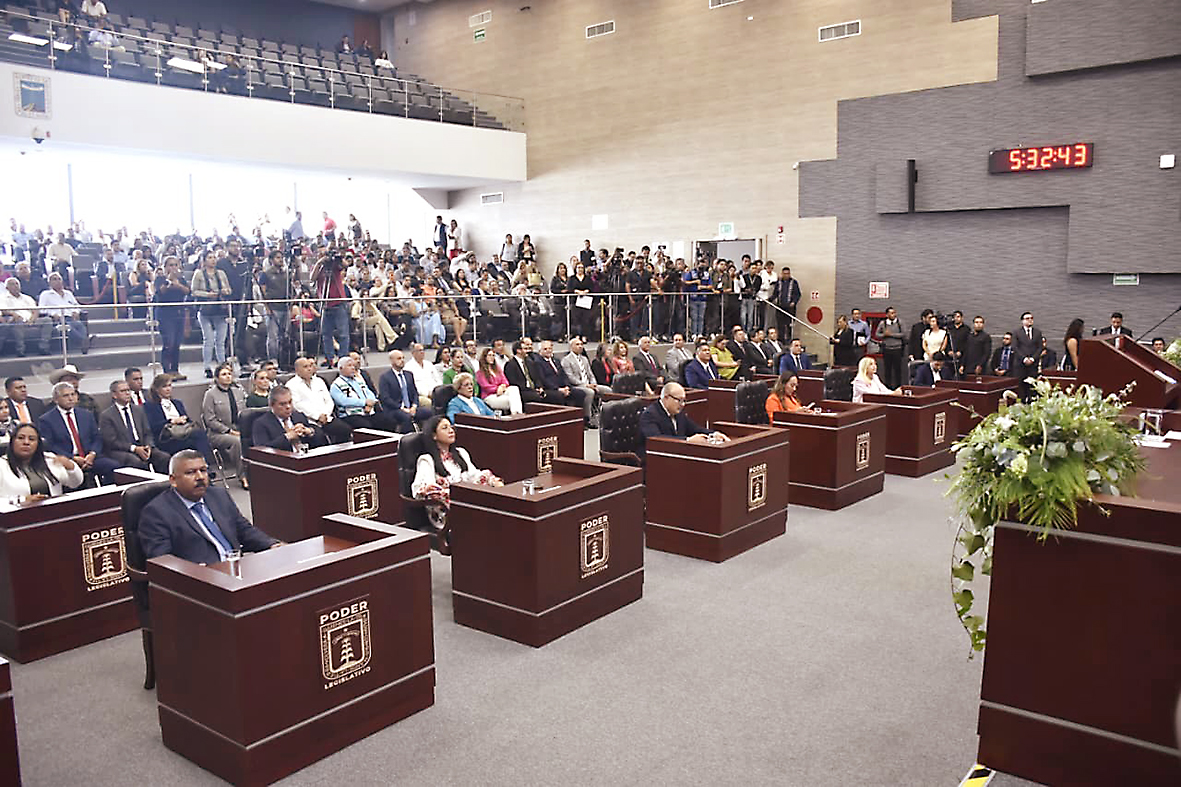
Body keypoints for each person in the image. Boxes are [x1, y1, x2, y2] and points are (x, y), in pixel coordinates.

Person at [137, 450, 281, 564]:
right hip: (201, 580)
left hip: (237, 569)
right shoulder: (156, 512)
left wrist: (271, 545)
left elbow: (243, 529)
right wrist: (195, 572)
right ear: (173, 480)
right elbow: (163, 560)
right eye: (190, 472)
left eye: (203, 470)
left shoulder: (218, 495)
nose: (200, 477)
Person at [411, 416, 502, 546]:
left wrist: (493, 481)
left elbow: (475, 475)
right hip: (444, 512)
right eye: (445, 428)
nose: (451, 430)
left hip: (468, 503)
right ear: (434, 435)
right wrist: (458, 495)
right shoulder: (427, 459)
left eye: (451, 427)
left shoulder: (461, 453)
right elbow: (422, 490)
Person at [38, 381, 119, 486]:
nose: (70, 398)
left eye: (73, 394)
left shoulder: (86, 414)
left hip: (90, 457)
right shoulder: (46, 420)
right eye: (66, 396)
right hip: (67, 460)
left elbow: (97, 437)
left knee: (114, 467)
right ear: (56, 399)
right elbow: (50, 445)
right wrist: (72, 458)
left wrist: (92, 454)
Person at [637, 383, 728, 462]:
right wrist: (688, 440)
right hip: (654, 461)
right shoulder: (650, 415)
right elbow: (656, 440)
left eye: (684, 400)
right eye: (679, 400)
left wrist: (713, 434)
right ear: (666, 397)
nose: (683, 404)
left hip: (675, 457)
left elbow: (694, 428)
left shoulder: (678, 413)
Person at [144, 374, 217, 471]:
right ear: (157, 389)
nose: (168, 389)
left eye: (169, 386)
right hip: (166, 438)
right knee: (197, 437)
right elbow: (152, 426)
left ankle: (203, 467)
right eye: (164, 386)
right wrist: (172, 421)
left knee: (198, 436)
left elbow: (188, 420)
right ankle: (205, 467)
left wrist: (184, 419)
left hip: (182, 434)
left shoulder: (177, 403)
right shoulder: (150, 406)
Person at [99, 380, 170, 474]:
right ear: (114, 395)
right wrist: (134, 449)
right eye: (123, 391)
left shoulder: (138, 410)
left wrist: (148, 446)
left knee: (163, 457)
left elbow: (147, 433)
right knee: (135, 461)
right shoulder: (107, 415)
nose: (127, 393)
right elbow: (112, 442)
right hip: (122, 450)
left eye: (128, 390)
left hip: (142, 446)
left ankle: (163, 481)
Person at [0, 423, 83, 502]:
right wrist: (21, 500)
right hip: (17, 511)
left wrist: (70, 466)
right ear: (12, 441)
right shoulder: (2, 465)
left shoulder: (49, 459)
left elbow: (75, 483)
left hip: (54, 510)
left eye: (32, 439)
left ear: (38, 444)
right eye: (21, 438)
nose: (26, 442)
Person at [286, 357, 353, 444]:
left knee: (345, 429)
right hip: (309, 421)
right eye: (305, 367)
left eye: (310, 366)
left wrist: (325, 414)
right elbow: (297, 406)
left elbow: (329, 401)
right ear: (297, 369)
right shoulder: (291, 385)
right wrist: (317, 416)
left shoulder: (319, 381)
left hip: (326, 418)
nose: (309, 369)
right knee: (319, 437)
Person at [201, 363, 246, 488]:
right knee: (237, 441)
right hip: (218, 433)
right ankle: (243, 476)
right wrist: (229, 431)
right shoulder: (210, 394)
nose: (228, 376)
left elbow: (245, 412)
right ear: (217, 378)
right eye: (224, 374)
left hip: (239, 429)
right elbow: (210, 420)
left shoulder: (238, 391)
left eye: (229, 374)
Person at [190, 251, 232, 379]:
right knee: (208, 339)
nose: (213, 260)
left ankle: (222, 365)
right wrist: (207, 295)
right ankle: (207, 367)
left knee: (221, 340)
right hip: (205, 309)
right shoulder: (199, 273)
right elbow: (194, 291)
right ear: (204, 260)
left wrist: (224, 291)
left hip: (220, 309)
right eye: (210, 257)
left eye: (214, 257)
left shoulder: (221, 273)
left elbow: (229, 289)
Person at [252, 385, 328, 451]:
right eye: (282, 404)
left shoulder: (298, 416)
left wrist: (308, 431)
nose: (288, 407)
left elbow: (321, 437)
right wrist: (287, 437)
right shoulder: (261, 424)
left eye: (290, 402)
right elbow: (262, 450)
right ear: (272, 405)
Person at [330, 356, 396, 431]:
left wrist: (370, 404)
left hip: (368, 411)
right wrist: (364, 403)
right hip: (350, 415)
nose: (353, 368)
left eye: (353, 365)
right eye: (349, 366)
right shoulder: (336, 385)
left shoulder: (359, 381)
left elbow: (370, 393)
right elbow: (343, 401)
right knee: (366, 426)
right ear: (341, 368)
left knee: (389, 421)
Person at [378, 349, 433, 433]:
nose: (402, 360)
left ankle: (428, 435)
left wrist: (414, 406)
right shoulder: (385, 377)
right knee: (406, 417)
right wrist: (402, 408)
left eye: (403, 358)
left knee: (429, 412)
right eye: (399, 358)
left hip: (411, 407)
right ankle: (407, 438)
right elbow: (385, 398)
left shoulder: (409, 374)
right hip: (395, 409)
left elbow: (415, 393)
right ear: (392, 360)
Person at [535, 340, 591, 421]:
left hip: (563, 387)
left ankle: (578, 419)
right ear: (540, 351)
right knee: (559, 396)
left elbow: (564, 376)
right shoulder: (538, 363)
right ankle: (564, 420)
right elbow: (544, 379)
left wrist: (567, 386)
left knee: (581, 393)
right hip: (551, 389)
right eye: (545, 349)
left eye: (550, 348)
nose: (548, 351)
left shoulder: (556, 360)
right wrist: (558, 389)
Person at [153, 256, 189, 379]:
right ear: (165, 267)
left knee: (177, 343)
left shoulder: (181, 279)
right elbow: (159, 293)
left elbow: (187, 291)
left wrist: (178, 285)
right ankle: (166, 371)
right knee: (169, 342)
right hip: (165, 314)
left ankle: (175, 370)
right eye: (170, 265)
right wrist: (168, 281)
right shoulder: (160, 279)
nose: (173, 268)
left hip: (179, 313)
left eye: (175, 265)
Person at [312, 253, 350, 366]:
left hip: (339, 303)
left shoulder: (335, 266)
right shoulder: (319, 268)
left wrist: (338, 259)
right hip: (325, 304)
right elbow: (312, 278)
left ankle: (343, 358)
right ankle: (329, 358)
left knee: (343, 334)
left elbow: (346, 265)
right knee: (326, 334)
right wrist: (319, 263)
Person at [37, 273, 89, 353]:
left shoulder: (68, 293)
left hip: (71, 317)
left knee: (80, 326)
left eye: (59, 279)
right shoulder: (45, 294)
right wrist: (52, 314)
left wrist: (76, 311)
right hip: (57, 319)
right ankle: (84, 342)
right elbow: (41, 309)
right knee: (68, 327)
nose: (58, 281)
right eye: (54, 279)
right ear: (49, 282)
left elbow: (76, 306)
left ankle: (84, 342)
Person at [1, 277, 52, 356]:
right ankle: (20, 350)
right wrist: (14, 314)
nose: (15, 286)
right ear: (7, 288)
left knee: (47, 320)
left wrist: (32, 319)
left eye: (17, 284)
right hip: (16, 320)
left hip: (31, 320)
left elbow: (35, 310)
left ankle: (43, 347)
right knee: (17, 321)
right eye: (12, 284)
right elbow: (4, 310)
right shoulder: (3, 298)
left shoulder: (27, 297)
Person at [475, 347, 523, 414]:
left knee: (514, 388)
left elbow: (505, 381)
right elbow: (486, 387)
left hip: (501, 392)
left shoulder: (497, 369)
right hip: (489, 396)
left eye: (493, 355)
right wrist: (497, 389)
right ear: (485, 357)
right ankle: (516, 414)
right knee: (513, 401)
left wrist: (502, 386)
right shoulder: (479, 373)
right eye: (489, 355)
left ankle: (517, 414)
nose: (492, 357)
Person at [874, 307, 906, 389]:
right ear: (887, 314)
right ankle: (888, 387)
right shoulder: (883, 323)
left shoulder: (899, 322)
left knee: (897, 369)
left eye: (894, 313)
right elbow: (877, 334)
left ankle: (898, 386)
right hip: (887, 349)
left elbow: (903, 334)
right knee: (887, 369)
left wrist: (891, 334)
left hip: (897, 349)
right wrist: (884, 335)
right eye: (891, 313)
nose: (893, 315)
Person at [1012, 311, 1043, 394]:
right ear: (1022, 321)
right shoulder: (1016, 332)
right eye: (1027, 318)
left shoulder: (1037, 332)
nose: (1030, 320)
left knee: (1032, 387)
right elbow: (1015, 347)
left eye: (1031, 318)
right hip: (1020, 364)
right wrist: (1024, 359)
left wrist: (1032, 359)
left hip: (1033, 364)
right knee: (1021, 387)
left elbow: (1040, 347)